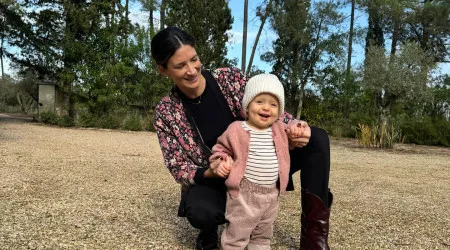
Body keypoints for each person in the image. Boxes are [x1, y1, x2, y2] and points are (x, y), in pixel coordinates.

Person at [151, 26, 333, 250]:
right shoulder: (166, 111)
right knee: (201, 212)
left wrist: (294, 129)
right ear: (163, 69)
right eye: (180, 66)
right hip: (219, 178)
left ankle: (314, 238)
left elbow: (269, 108)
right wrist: (211, 170)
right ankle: (214, 229)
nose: (191, 70)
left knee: (317, 138)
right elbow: (177, 166)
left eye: (194, 59)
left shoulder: (229, 78)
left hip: (260, 164)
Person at [210, 73, 303, 250]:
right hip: (244, 194)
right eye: (260, 101)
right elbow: (220, 149)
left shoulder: (280, 130)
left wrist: (298, 127)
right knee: (237, 234)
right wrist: (221, 161)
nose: (266, 108)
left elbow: (294, 128)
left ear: (279, 111)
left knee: (262, 236)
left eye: (273, 104)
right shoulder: (236, 129)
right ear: (247, 105)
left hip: (271, 194)